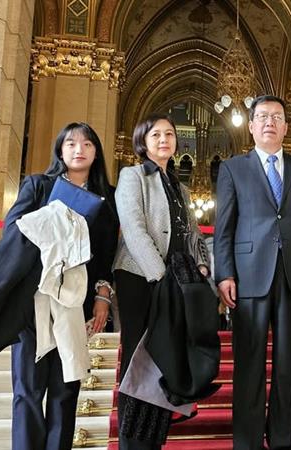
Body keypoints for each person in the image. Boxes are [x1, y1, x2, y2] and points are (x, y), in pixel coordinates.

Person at [213, 95, 291, 450]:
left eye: (277, 117)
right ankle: (247, 441)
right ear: (251, 126)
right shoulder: (233, 169)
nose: (269, 123)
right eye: (262, 116)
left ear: (286, 127)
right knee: (249, 363)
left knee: (288, 364)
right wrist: (225, 274)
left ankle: (282, 439)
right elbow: (224, 227)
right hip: (248, 276)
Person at [2, 123, 118, 450]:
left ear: (96, 152)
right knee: (28, 390)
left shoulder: (107, 198)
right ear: (60, 149)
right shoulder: (38, 186)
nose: (79, 149)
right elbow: (14, 231)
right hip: (33, 300)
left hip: (75, 303)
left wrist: (103, 295)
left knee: (66, 390)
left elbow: (106, 253)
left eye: (87, 144)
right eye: (70, 143)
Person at [112, 114, 211, 450]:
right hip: (140, 278)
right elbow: (133, 229)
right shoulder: (133, 176)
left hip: (175, 281)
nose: (164, 140)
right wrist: (160, 275)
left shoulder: (181, 187)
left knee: (165, 359)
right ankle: (131, 442)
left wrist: (201, 265)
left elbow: (193, 233)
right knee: (138, 360)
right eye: (156, 134)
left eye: (169, 134)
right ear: (143, 141)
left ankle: (152, 439)